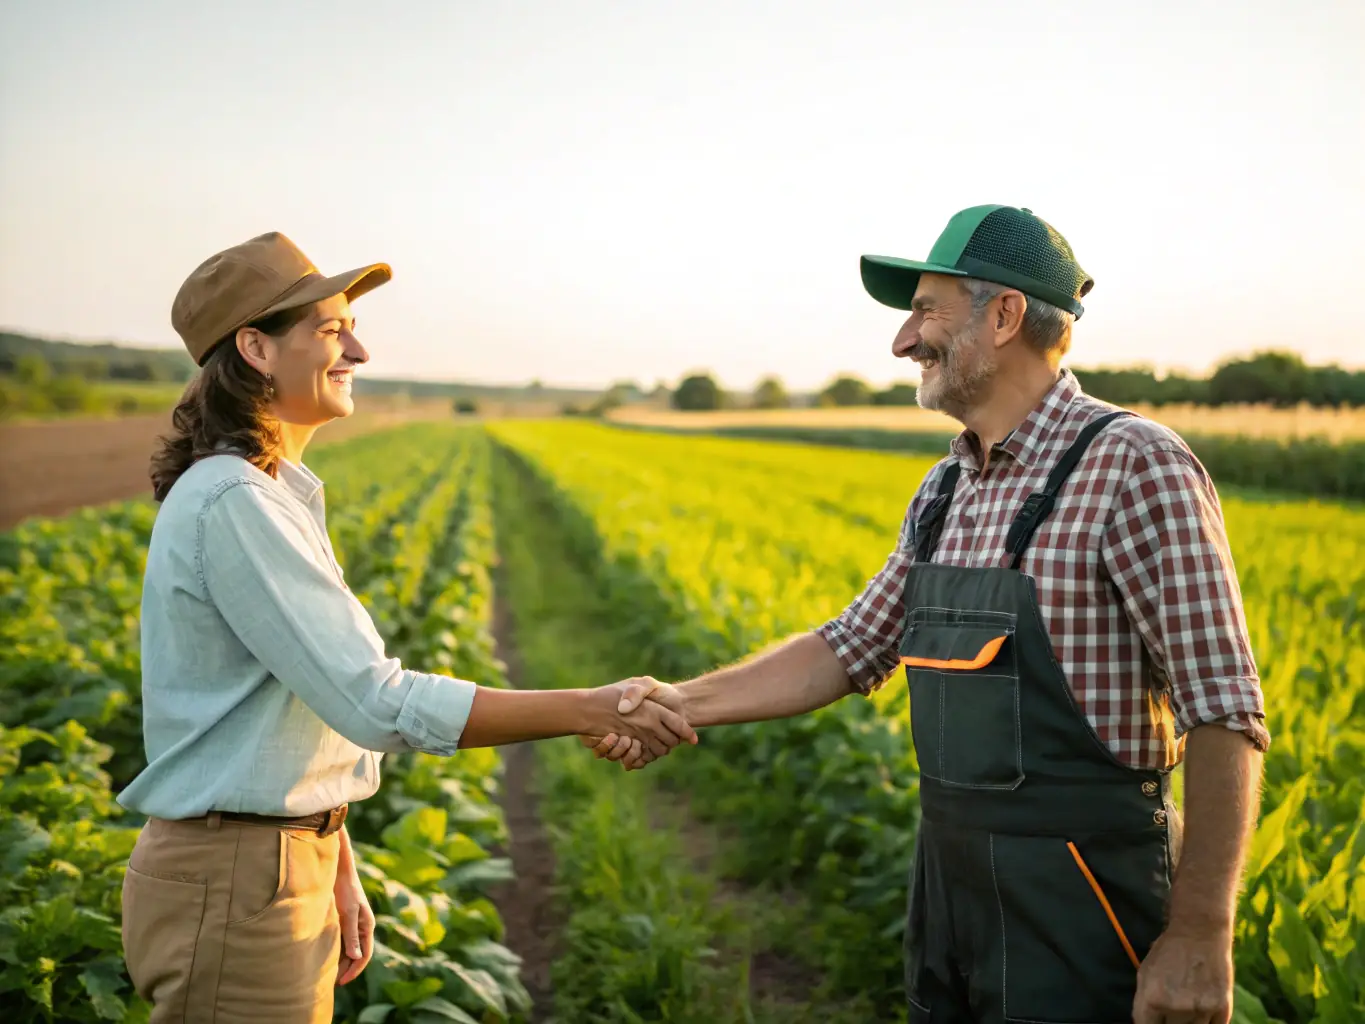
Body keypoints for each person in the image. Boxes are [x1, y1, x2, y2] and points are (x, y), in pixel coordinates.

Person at [590, 205, 1267, 1024]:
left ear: (1006, 315)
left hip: (1083, 892)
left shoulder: (1135, 464)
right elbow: (849, 648)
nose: (902, 340)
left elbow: (1223, 708)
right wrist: (674, 703)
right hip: (947, 883)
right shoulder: (947, 486)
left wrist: (1199, 933)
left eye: (925, 310)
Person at [117, 231, 696, 1024]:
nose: (357, 347)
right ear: (254, 348)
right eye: (330, 329)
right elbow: (377, 703)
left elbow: (289, 709)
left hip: (270, 863)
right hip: (238, 878)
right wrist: (589, 708)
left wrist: (332, 856)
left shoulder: (263, 491)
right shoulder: (236, 502)